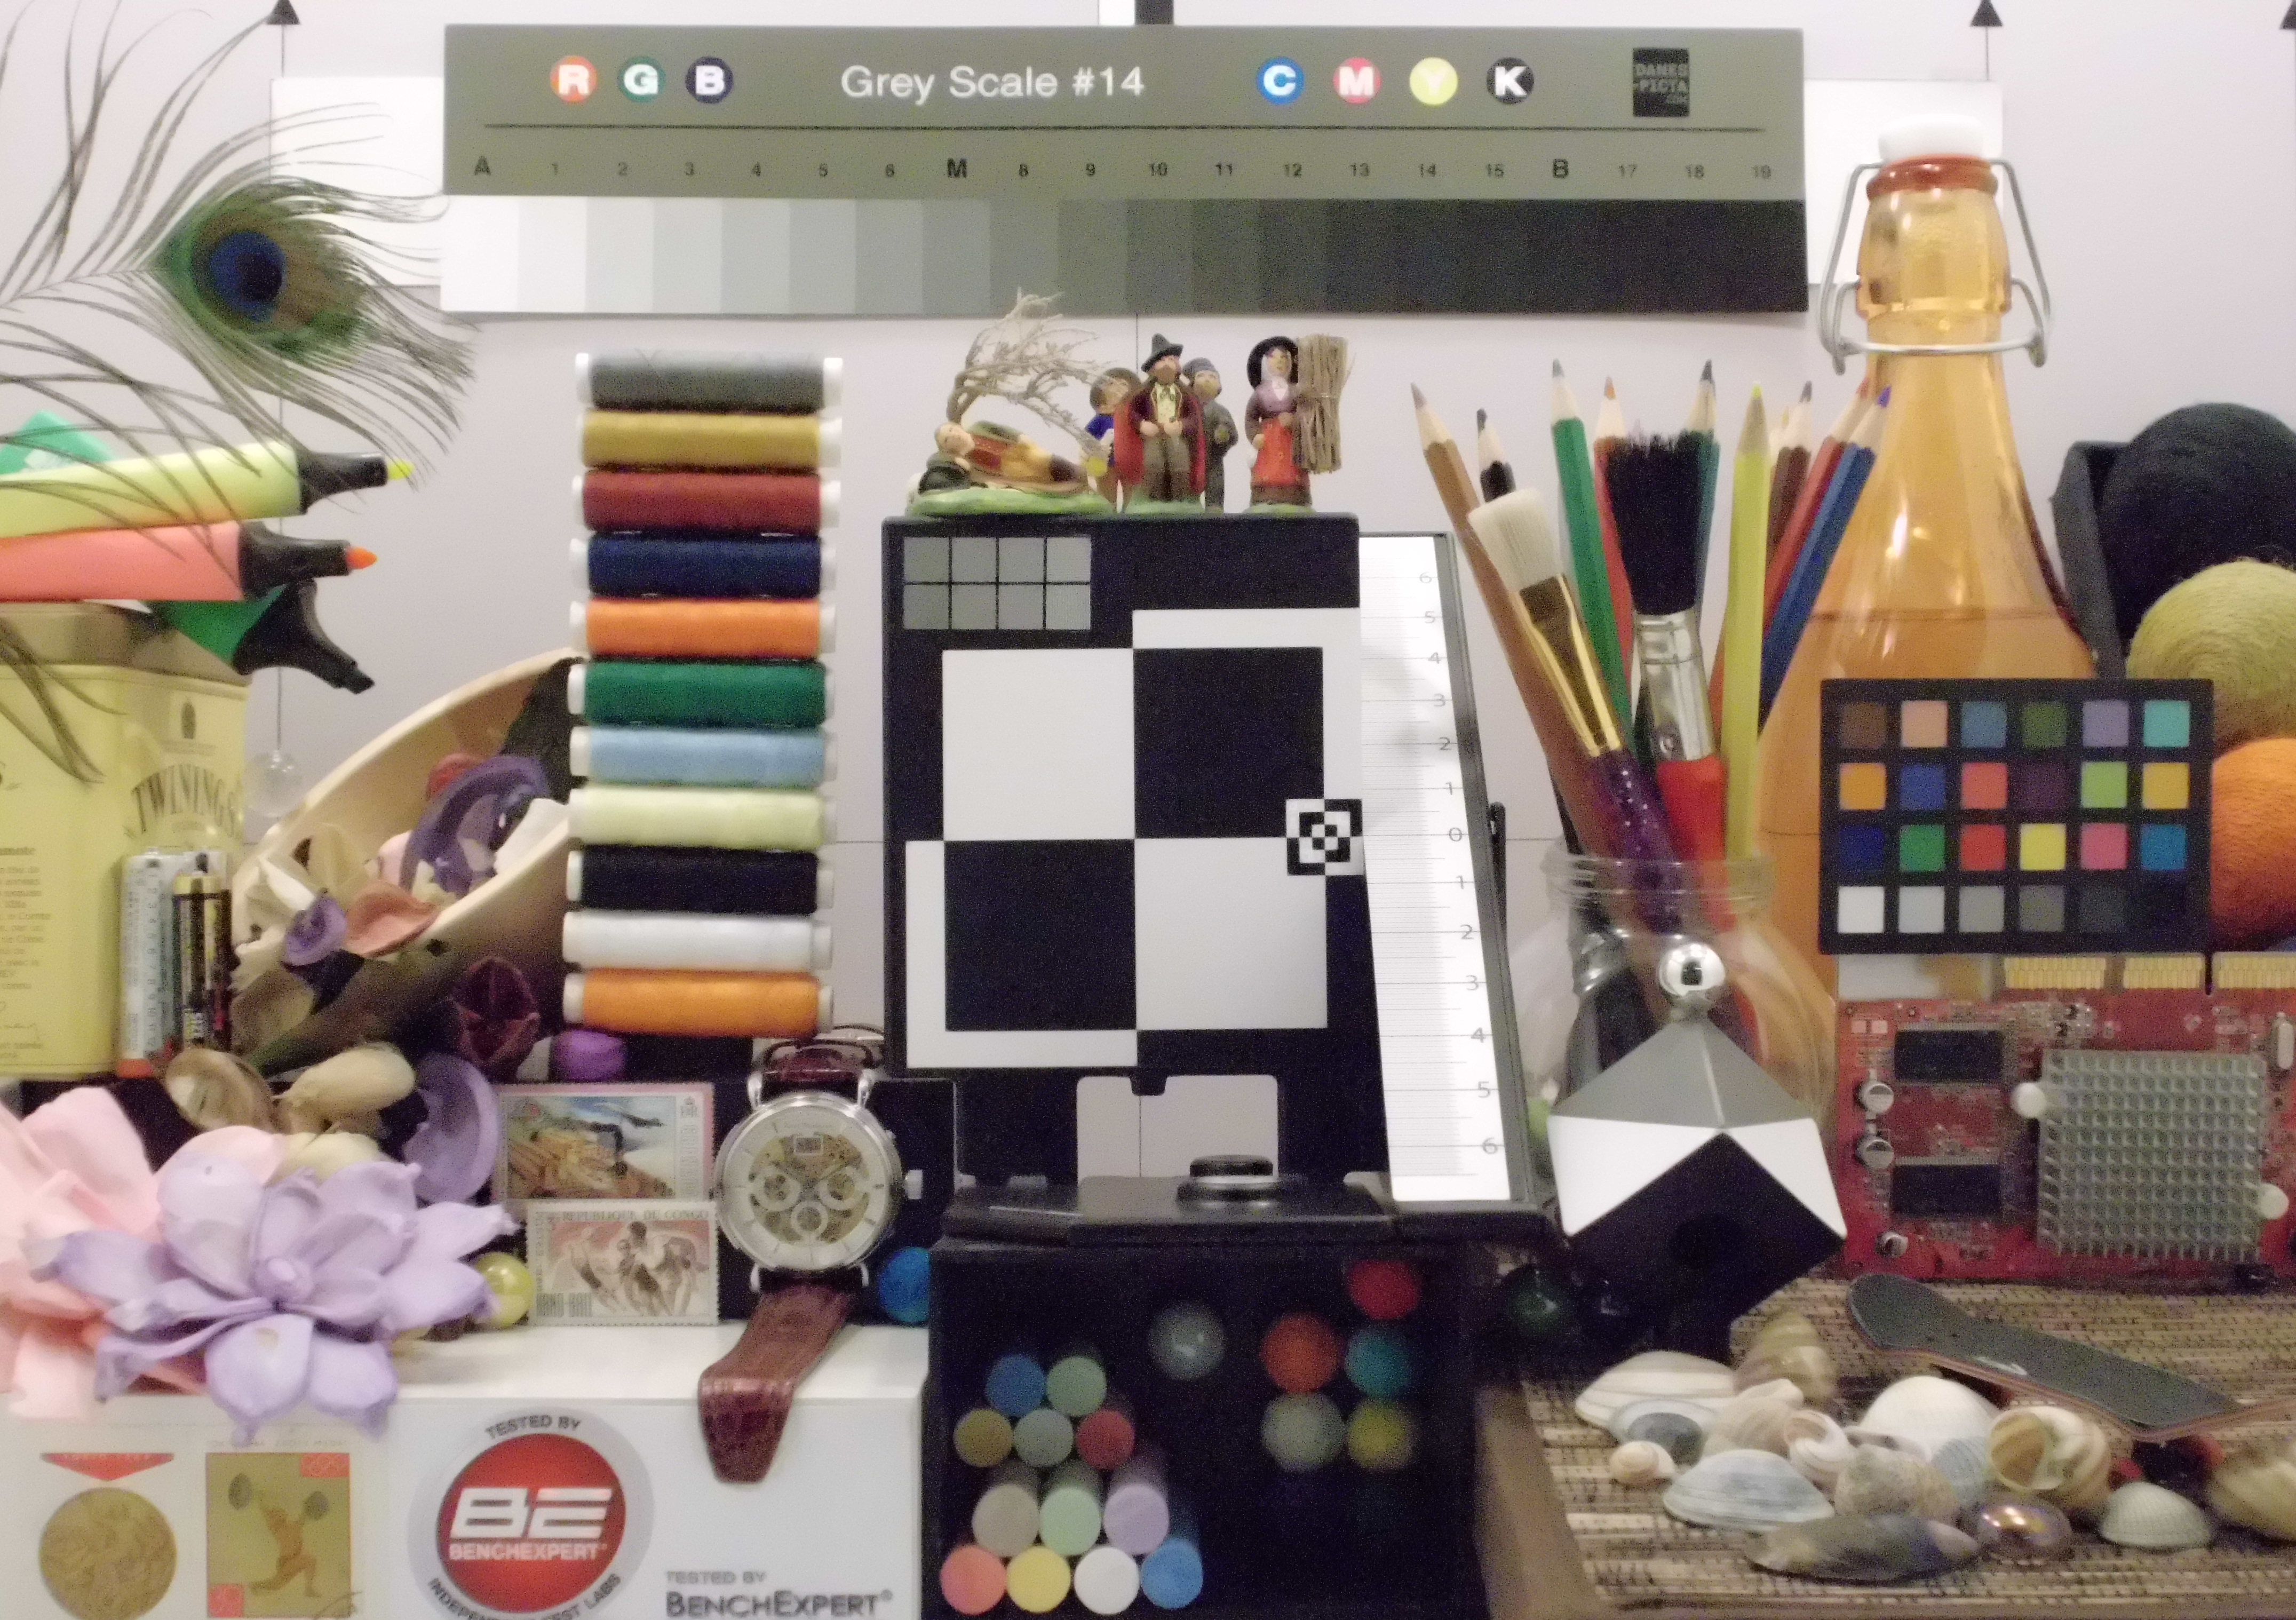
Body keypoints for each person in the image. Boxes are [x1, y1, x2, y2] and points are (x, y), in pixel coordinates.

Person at [1111, 335, 1205, 505]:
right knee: (1154, 464)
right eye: (1162, 360)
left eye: (1171, 359)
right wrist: (1142, 424)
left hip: (1176, 437)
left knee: (1180, 464)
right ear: (1152, 369)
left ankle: (1179, 498)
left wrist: (1181, 425)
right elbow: (1132, 412)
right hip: (1154, 437)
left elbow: (1194, 418)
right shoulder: (1144, 393)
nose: (1167, 364)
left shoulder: (1185, 394)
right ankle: (1154, 498)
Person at [1244, 336, 1310, 508]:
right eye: (1274, 357)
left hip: (1291, 440)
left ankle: (1295, 498)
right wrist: (1255, 435)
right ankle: (1265, 497)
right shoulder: (1260, 393)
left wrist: (1295, 421)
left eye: (1284, 358)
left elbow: (1307, 414)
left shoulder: (1296, 392)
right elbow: (1251, 417)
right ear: (1266, 362)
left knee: (1291, 469)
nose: (1279, 362)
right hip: (1269, 440)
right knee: (1269, 469)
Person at [1184, 357, 1238, 512]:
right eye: (1201, 376)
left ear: (1219, 386)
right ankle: (1189, 504)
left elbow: (1231, 430)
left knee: (1215, 483)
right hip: (1191, 456)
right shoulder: (1187, 409)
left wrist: (1224, 433)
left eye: (1212, 377)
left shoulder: (1219, 410)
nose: (1207, 380)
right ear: (1192, 384)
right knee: (1187, 481)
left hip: (1213, 457)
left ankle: (1215, 507)